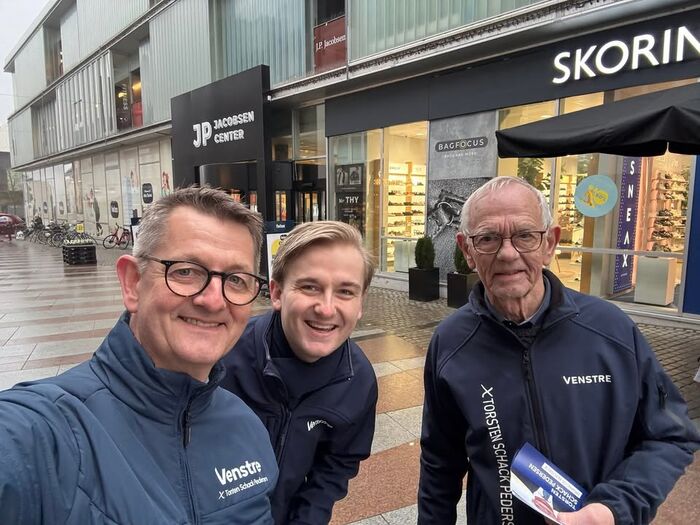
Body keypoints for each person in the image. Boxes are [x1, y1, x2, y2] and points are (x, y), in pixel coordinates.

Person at [418, 176, 700, 525]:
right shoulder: (451, 341)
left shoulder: (610, 330)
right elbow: (439, 462)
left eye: (525, 235)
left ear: (550, 243)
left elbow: (670, 435)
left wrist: (613, 508)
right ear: (467, 251)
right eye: (488, 238)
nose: (508, 253)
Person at [0, 187, 278, 524]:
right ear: (133, 283)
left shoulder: (247, 427)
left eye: (235, 279)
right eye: (186, 271)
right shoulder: (46, 433)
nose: (214, 300)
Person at [221, 221, 378, 524]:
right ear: (277, 292)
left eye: (345, 291)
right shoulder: (225, 356)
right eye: (309, 287)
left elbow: (336, 465)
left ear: (361, 303)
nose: (326, 309)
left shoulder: (358, 381)